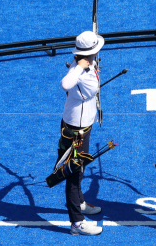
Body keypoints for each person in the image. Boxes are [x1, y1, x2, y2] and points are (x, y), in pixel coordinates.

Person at [59, 31, 104, 236]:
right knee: (73, 174)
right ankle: (76, 222)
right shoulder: (78, 69)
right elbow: (65, 84)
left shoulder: (87, 64)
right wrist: (79, 67)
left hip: (84, 127)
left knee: (81, 167)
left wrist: (89, 65)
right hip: (75, 131)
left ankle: (79, 202)